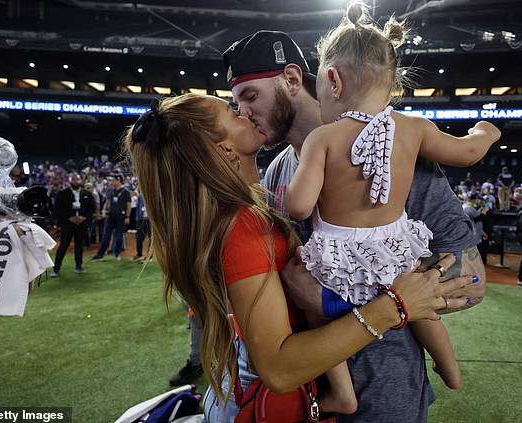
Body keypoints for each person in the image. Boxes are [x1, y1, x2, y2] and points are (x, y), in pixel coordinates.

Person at [124, 94, 477, 423]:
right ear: (226, 149)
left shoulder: (241, 210)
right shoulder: (241, 224)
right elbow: (279, 368)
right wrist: (395, 307)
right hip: (263, 401)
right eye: (233, 112)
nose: (244, 112)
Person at [224, 24, 487, 423]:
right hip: (306, 397)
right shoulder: (277, 171)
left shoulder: (398, 152)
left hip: (386, 398)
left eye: (250, 96)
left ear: (294, 79)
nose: (243, 112)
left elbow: (473, 282)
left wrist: (337, 303)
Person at [282, 5, 499, 412]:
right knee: (419, 311)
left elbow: (298, 205)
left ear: (333, 79)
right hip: (395, 250)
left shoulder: (323, 139)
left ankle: (342, 394)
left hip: (338, 258)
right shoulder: (414, 128)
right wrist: (485, 131)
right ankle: (451, 370)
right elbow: (468, 151)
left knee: (315, 313)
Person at [51, 174, 95, 276]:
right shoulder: (63, 194)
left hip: (81, 224)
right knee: (63, 246)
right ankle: (56, 269)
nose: (76, 182)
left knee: (79, 246)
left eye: (77, 179)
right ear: (70, 181)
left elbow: (91, 207)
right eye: (73, 180)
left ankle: (78, 266)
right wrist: (69, 217)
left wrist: (84, 218)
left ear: (80, 181)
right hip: (67, 224)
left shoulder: (87, 193)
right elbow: (58, 208)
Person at [90, 174, 131, 261]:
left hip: (120, 216)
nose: (111, 182)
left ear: (118, 180)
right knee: (106, 236)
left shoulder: (126, 192)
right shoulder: (110, 191)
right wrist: (104, 210)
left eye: (113, 180)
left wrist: (127, 216)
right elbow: (107, 202)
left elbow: (128, 205)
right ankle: (100, 254)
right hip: (110, 216)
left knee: (119, 236)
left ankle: (117, 253)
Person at [463, 193, 491, 265]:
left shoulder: (469, 207)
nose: (479, 201)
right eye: (478, 199)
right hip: (472, 235)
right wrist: (484, 211)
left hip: (474, 233)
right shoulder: (468, 208)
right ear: (474, 199)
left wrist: (482, 232)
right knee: (471, 256)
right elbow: (478, 219)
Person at [132, 187, 151, 262]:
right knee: (139, 237)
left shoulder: (154, 197)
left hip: (150, 220)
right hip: (141, 219)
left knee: (151, 238)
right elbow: (138, 208)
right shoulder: (140, 197)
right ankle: (139, 254)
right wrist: (137, 219)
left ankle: (149, 256)